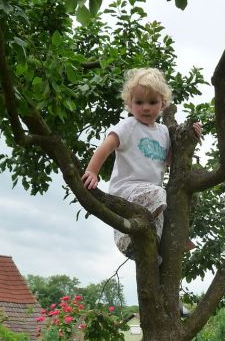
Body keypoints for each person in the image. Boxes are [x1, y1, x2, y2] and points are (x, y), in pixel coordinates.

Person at [82, 67, 201, 259]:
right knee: (159, 195)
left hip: (151, 196)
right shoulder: (128, 126)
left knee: (167, 207)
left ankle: (144, 247)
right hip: (127, 190)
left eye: (152, 102)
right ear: (129, 104)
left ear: (163, 104)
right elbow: (106, 147)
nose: (146, 107)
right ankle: (128, 235)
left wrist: (191, 136)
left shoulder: (163, 132)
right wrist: (92, 172)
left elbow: (173, 162)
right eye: (139, 102)